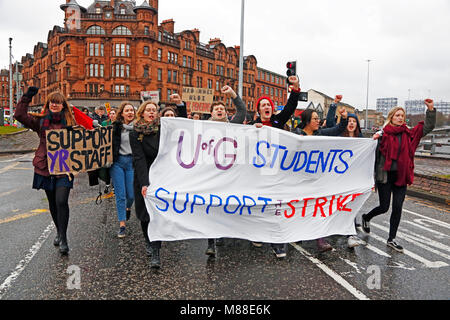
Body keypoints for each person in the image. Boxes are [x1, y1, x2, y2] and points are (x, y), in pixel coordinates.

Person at [14, 87, 92, 255]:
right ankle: (58, 231)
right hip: (45, 168)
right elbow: (19, 116)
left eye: (58, 102)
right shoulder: (40, 121)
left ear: (63, 105)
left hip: (64, 168)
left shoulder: (71, 123)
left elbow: (87, 137)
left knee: (61, 201)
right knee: (52, 203)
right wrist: (26, 97)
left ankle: (63, 238)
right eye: (52, 102)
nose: (55, 105)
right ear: (48, 104)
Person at [361, 100, 436, 252]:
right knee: (384, 207)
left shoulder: (409, 134)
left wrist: (431, 110)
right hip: (385, 176)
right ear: (391, 117)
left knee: (397, 207)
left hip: (401, 176)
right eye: (397, 115)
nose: (400, 118)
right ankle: (366, 217)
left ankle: (391, 239)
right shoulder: (382, 135)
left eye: (402, 115)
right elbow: (370, 154)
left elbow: (427, 127)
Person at [130, 96, 187, 269]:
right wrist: (145, 184)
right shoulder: (135, 133)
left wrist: (180, 106)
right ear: (142, 113)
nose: (151, 112)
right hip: (144, 176)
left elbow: (183, 126)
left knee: (158, 213)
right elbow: (139, 159)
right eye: (148, 110)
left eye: (154, 110)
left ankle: (156, 250)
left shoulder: (163, 129)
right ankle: (148, 240)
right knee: (144, 214)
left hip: (163, 175)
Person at [251, 75, 301, 259]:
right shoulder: (251, 126)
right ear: (258, 110)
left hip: (278, 173)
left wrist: (295, 88)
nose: (267, 107)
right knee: (259, 206)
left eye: (269, 105)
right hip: (257, 174)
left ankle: (277, 243)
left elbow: (290, 106)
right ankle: (257, 233)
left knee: (277, 207)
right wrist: (252, 130)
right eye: (263, 105)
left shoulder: (278, 122)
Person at [294, 103, 348, 252]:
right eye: (315, 119)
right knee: (300, 207)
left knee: (319, 208)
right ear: (306, 121)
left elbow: (337, 129)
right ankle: (296, 232)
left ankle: (320, 239)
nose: (318, 121)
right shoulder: (295, 135)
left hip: (318, 179)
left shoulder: (321, 134)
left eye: (318, 118)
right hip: (300, 178)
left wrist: (343, 119)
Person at [205, 85, 247, 257]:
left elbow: (242, 111)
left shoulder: (232, 125)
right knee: (209, 206)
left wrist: (232, 95)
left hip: (227, 173)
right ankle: (210, 243)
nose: (220, 111)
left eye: (222, 109)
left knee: (222, 206)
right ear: (212, 113)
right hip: (208, 173)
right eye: (217, 109)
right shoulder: (201, 127)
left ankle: (220, 232)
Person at [326, 95, 366, 249]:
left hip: (352, 178)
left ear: (357, 124)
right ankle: (334, 227)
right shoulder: (338, 135)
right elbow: (330, 123)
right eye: (349, 121)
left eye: (353, 121)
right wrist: (334, 105)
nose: (351, 123)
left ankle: (351, 234)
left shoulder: (362, 140)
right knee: (337, 203)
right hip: (337, 177)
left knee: (351, 204)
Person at [111, 102, 136, 238]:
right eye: (127, 110)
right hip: (118, 163)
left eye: (132, 110)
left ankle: (128, 208)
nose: (130, 113)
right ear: (122, 113)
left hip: (132, 163)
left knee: (131, 195)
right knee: (120, 195)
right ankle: (122, 225)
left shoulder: (138, 127)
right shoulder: (115, 127)